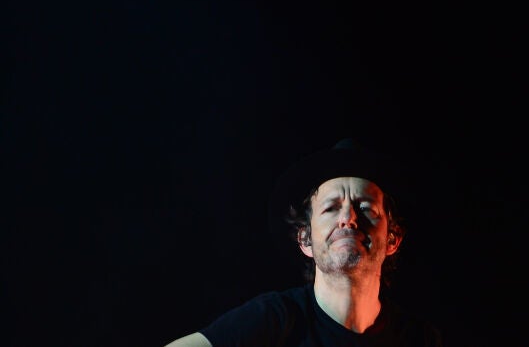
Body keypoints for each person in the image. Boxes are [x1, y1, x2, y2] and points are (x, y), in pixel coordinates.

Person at [164, 138, 444, 347]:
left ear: (393, 238)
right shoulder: (273, 320)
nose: (348, 218)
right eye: (331, 207)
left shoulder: (419, 339)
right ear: (305, 240)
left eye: (365, 207)